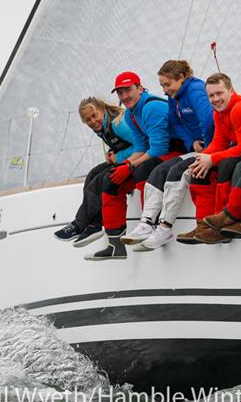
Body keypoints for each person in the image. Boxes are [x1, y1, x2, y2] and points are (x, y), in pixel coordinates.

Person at [85, 71, 179, 261]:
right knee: (110, 180)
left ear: (139, 88)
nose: (125, 96)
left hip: (177, 151)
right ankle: (115, 244)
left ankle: (151, 226)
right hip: (159, 153)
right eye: (120, 93)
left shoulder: (151, 107)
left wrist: (129, 166)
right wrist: (127, 164)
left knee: (144, 169)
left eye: (128, 90)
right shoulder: (130, 115)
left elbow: (158, 148)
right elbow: (141, 148)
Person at [120, 60, 213, 250]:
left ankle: (164, 228)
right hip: (194, 147)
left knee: (174, 172)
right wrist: (192, 142)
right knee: (159, 171)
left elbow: (208, 120)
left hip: (211, 148)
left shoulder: (194, 90)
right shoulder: (174, 97)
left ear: (181, 78)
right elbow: (177, 124)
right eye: (162, 85)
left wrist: (209, 146)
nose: (164, 89)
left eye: (167, 84)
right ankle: (146, 223)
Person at [180, 72, 241, 244]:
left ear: (231, 91)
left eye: (219, 93)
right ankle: (203, 225)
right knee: (199, 169)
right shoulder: (219, 112)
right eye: (211, 96)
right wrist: (204, 157)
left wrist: (212, 159)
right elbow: (219, 142)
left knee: (225, 165)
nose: (215, 99)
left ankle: (221, 226)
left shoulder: (240, 109)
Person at [53, 97, 134, 247]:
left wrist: (118, 157)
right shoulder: (102, 128)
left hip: (140, 159)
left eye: (94, 116)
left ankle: (79, 225)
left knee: (100, 180)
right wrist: (113, 153)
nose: (92, 121)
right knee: (92, 175)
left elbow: (143, 143)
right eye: (87, 120)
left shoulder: (118, 124)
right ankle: (93, 225)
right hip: (124, 158)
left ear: (102, 110)